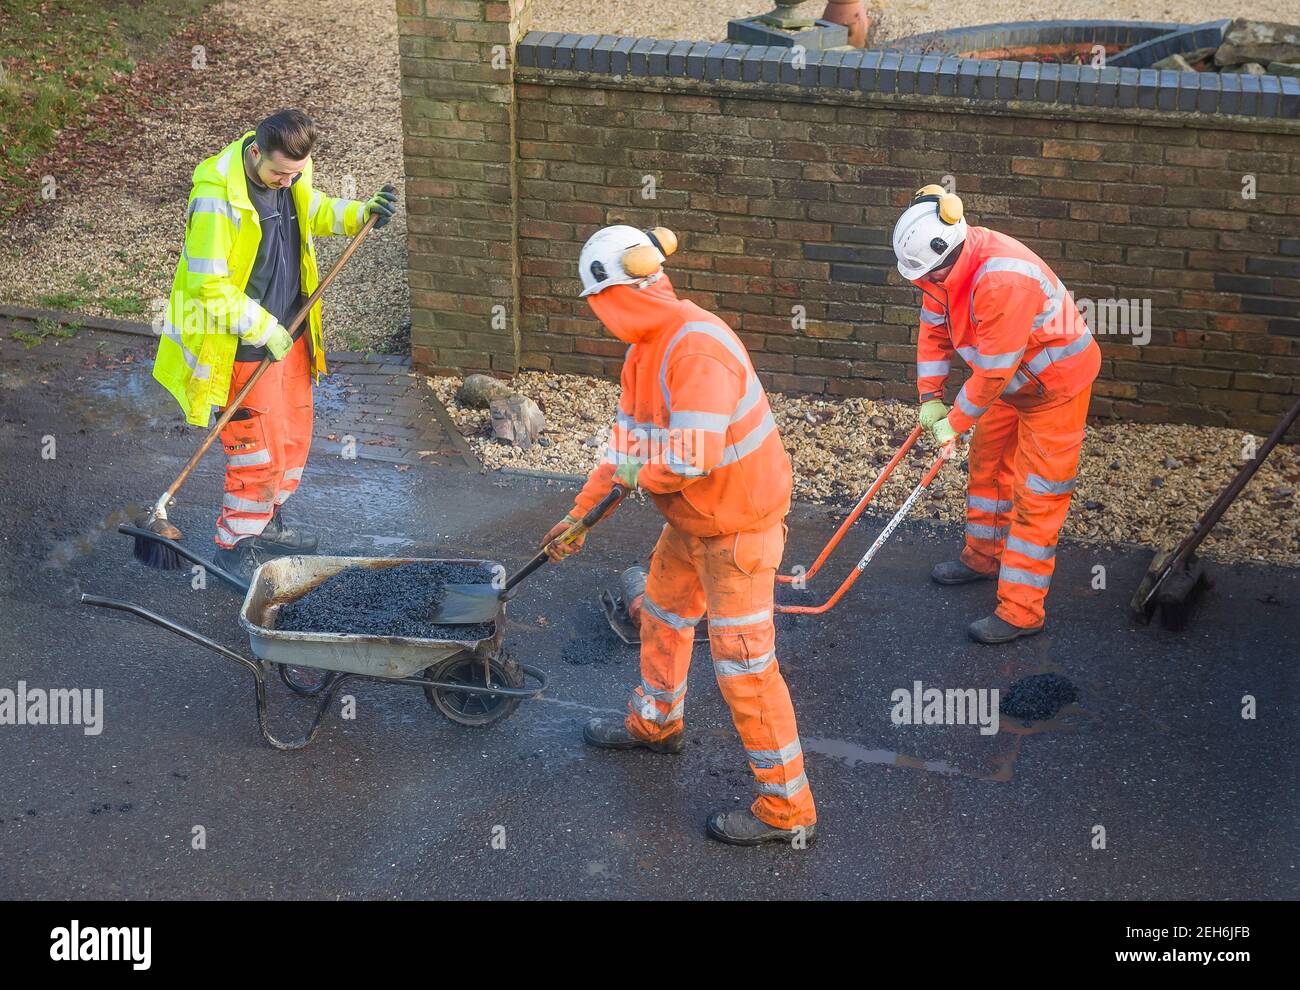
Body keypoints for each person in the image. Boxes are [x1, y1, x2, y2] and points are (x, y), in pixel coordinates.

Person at [540, 224, 817, 847]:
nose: (599, 318)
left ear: (618, 296)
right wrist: (581, 517)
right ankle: (656, 725)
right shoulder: (645, 352)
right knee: (663, 616)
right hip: (692, 522)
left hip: (738, 531)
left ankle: (787, 808)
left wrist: (641, 472)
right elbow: (626, 450)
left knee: (745, 668)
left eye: (597, 306)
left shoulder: (694, 348)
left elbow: (692, 455)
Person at [151, 108, 398, 577]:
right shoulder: (215, 197)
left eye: (296, 174)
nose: (287, 182)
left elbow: (315, 208)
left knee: (289, 442)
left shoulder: (292, 174)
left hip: (291, 336)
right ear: (255, 153)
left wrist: (361, 213)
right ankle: (235, 545)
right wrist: (265, 331)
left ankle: (266, 526)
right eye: (279, 173)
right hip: (243, 347)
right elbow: (209, 286)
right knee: (256, 452)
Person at [893, 184, 1100, 643]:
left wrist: (955, 421)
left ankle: (1021, 612)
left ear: (948, 252)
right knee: (986, 467)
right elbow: (934, 332)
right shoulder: (941, 272)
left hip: (1055, 386)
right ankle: (983, 557)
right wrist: (930, 397)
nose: (925, 285)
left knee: (1038, 495)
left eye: (928, 276)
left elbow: (992, 372)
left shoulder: (1003, 279)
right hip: (1013, 384)